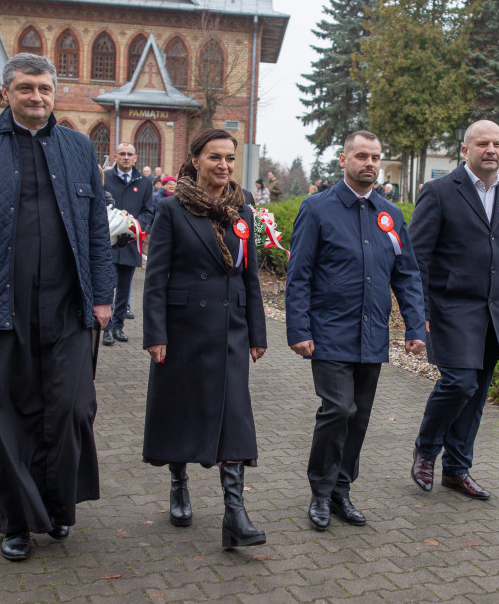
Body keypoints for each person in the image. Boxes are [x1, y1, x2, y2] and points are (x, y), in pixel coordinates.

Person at [0, 53, 114, 562]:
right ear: (6, 93)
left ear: (55, 93)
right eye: (26, 88)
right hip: (0, 305)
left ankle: (57, 508)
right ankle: (15, 521)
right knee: (3, 412)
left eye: (44, 88)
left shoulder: (78, 147)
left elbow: (96, 229)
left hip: (66, 304)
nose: (37, 97)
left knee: (71, 407)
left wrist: (103, 295)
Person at [285, 130, 426, 531]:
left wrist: (415, 326)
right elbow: (299, 274)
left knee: (359, 416)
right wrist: (298, 328)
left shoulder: (390, 214)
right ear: (343, 160)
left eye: (376, 157)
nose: (370, 163)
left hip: (371, 332)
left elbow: (407, 274)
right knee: (338, 409)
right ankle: (320, 491)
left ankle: (341, 491)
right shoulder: (317, 209)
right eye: (362, 156)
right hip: (329, 330)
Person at [407, 120, 499, 500]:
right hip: (450, 306)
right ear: (465, 150)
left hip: (493, 310)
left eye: (497, 144)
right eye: (483, 143)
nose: (491, 150)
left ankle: (457, 469)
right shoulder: (439, 192)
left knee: (477, 391)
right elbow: (417, 257)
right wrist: (418, 311)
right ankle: (426, 450)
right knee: (460, 382)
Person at [143, 128, 268, 550]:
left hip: (230, 328)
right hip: (183, 329)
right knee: (181, 409)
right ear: (195, 160)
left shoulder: (242, 209)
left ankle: (235, 513)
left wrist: (257, 332)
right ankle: (178, 482)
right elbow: (155, 277)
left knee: (234, 415)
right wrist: (155, 333)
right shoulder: (172, 208)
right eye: (215, 157)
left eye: (230, 158)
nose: (224, 165)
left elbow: (250, 276)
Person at [102, 142, 153, 346]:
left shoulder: (144, 182)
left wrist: (135, 228)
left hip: (131, 243)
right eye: (122, 154)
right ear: (115, 156)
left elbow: (148, 211)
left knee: (124, 288)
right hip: (108, 242)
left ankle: (118, 326)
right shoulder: (106, 178)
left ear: (135, 158)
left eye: (129, 154)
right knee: (107, 285)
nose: (125, 157)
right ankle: (105, 328)